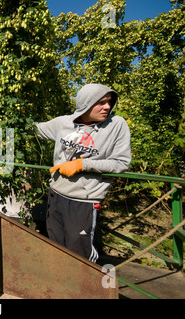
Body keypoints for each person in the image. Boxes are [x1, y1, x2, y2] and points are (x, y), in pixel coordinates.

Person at [34, 83, 131, 262]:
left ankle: (83, 288)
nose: (107, 107)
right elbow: (33, 129)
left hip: (83, 200)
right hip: (55, 195)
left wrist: (82, 165)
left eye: (109, 102)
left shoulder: (116, 125)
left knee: (79, 251)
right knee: (56, 245)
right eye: (101, 102)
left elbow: (121, 163)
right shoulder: (63, 123)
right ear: (86, 104)